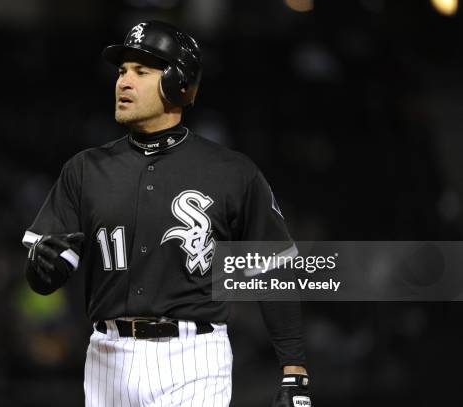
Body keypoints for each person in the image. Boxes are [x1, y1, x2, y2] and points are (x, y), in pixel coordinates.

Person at [21, 20, 311, 407]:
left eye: (141, 72)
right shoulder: (85, 170)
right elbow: (45, 276)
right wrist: (41, 267)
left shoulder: (230, 171)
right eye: (122, 71)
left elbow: (272, 267)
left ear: (179, 82)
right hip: (107, 357)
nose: (124, 82)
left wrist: (294, 370)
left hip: (194, 357)